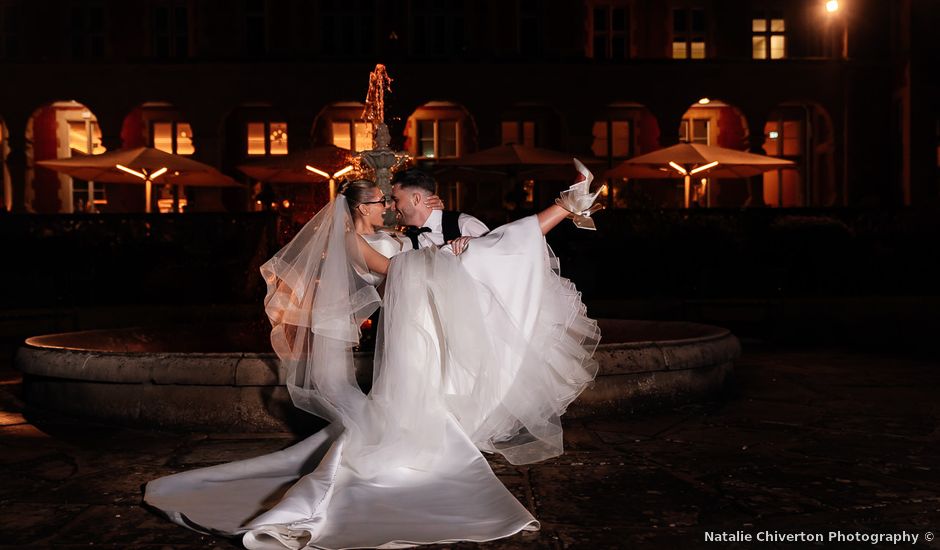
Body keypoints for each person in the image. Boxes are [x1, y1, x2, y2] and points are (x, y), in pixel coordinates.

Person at [145, 160, 604, 549]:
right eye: (383, 202)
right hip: (415, 331)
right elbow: (397, 271)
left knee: (488, 256)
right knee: (479, 270)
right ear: (361, 207)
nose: (391, 206)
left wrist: (457, 250)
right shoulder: (359, 241)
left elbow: (425, 263)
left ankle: (565, 206)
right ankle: (564, 206)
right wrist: (448, 255)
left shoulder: (411, 233)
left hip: (430, 327)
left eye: (395, 200)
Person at [390, 168, 489, 250]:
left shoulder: (464, 225)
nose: (392, 207)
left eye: (396, 200)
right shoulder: (410, 236)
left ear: (416, 199)